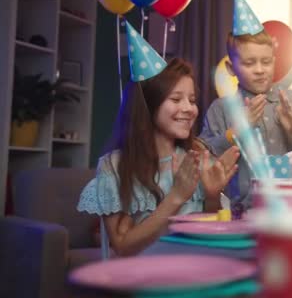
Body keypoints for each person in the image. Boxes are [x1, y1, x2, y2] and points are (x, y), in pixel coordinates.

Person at [77, 21, 238, 257]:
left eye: (192, 100)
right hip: (144, 281)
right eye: (176, 99)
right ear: (148, 107)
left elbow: (210, 234)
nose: (189, 108)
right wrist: (175, 197)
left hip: (194, 273)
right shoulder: (115, 166)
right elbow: (123, 245)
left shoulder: (195, 157)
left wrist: (212, 197)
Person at [201, 0, 292, 206]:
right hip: (241, 210)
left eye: (266, 62)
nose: (259, 70)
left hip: (291, 207)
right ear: (231, 67)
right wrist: (236, 132)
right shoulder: (221, 109)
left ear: (275, 60)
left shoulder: (291, 100)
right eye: (249, 63)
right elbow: (205, 156)